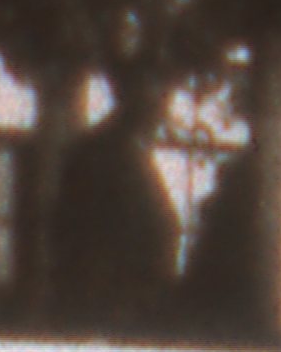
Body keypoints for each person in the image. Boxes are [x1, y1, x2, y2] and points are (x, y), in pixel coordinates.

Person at [44, 70, 185, 331]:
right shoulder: (101, 154)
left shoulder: (130, 152)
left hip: (129, 298)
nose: (160, 110)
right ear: (130, 101)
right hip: (107, 300)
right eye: (153, 100)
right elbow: (75, 230)